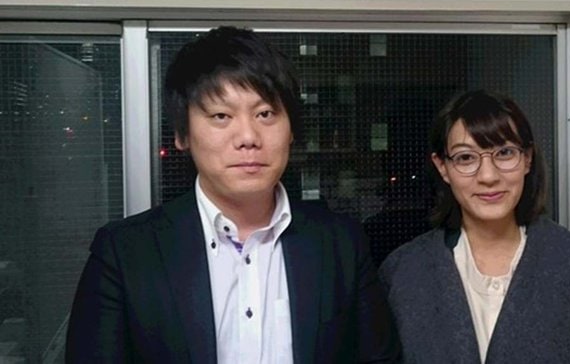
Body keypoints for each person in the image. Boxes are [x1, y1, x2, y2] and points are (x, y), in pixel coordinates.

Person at [66, 26, 399, 363]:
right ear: (182, 134)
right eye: (221, 116)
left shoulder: (341, 243)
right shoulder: (125, 253)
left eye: (265, 114)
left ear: (291, 130)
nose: (248, 137)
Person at [379, 90, 570, 363]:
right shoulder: (404, 272)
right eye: (466, 158)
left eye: (504, 153)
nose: (488, 176)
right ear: (442, 167)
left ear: (527, 159)